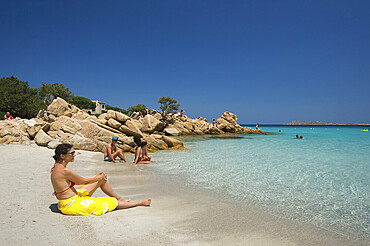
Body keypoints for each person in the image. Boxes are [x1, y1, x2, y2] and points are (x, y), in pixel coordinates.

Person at [50, 143, 151, 215]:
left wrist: (98, 177)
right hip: (71, 205)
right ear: (62, 156)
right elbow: (82, 181)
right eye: (71, 153)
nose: (74, 155)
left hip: (69, 200)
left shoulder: (56, 167)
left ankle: (119, 198)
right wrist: (97, 176)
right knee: (109, 202)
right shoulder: (64, 171)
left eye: (74, 152)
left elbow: (77, 182)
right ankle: (138, 203)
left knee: (101, 180)